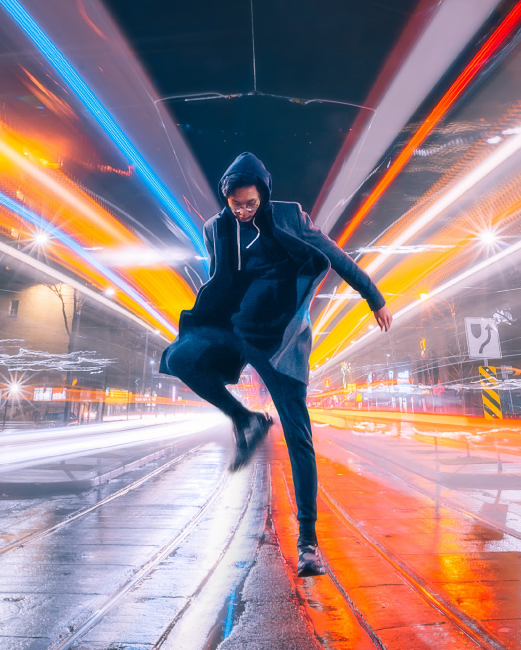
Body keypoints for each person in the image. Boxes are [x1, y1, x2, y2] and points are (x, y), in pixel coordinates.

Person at [161, 152, 391, 577]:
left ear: (263, 196)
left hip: (280, 336)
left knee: (298, 433)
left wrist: (373, 297)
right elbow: (221, 280)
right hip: (235, 329)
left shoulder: (288, 217)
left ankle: (308, 542)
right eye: (236, 204)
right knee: (180, 357)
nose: (244, 211)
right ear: (226, 199)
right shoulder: (217, 229)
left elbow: (334, 255)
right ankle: (245, 419)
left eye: (250, 204)